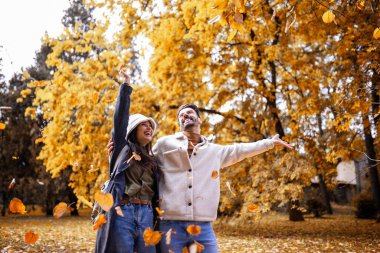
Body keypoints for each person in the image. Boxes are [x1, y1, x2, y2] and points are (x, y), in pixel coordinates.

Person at [107, 104, 292, 253]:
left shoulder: (215, 151)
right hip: (170, 225)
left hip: (203, 227)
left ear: (199, 119)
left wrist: (269, 143)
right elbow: (142, 164)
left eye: (189, 113)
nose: (184, 116)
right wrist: (116, 156)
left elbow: (240, 150)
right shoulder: (164, 143)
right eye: (181, 115)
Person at [96, 67, 159, 253]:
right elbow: (120, 119)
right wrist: (126, 86)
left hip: (147, 213)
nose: (149, 128)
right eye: (144, 125)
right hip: (124, 212)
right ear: (133, 130)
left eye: (150, 126)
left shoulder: (153, 159)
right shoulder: (122, 149)